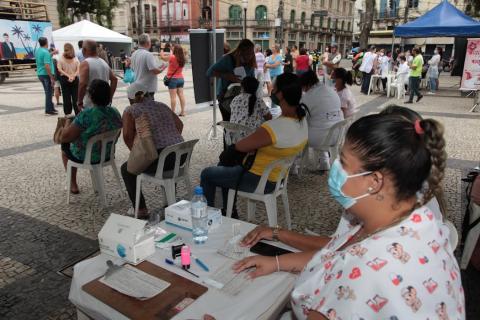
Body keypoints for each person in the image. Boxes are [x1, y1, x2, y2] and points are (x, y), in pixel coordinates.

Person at [232, 111, 464, 320]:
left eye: (343, 162)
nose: (334, 169)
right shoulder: (418, 220)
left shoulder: (366, 271)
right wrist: (277, 262)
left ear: (374, 182)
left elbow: (350, 268)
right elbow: (335, 253)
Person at [200, 73, 308, 216]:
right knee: (225, 168)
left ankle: (211, 215)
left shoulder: (274, 127)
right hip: (276, 178)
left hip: (256, 179)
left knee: (208, 173)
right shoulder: (302, 119)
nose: (271, 91)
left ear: (281, 94)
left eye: (274, 89)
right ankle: (229, 210)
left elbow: (240, 146)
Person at [120, 85, 184, 218]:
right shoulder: (162, 105)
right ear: (148, 94)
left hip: (161, 160)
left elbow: (127, 136)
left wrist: (137, 155)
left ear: (131, 98)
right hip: (180, 156)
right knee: (167, 156)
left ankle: (141, 209)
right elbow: (180, 125)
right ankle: (169, 199)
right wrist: (170, 139)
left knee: (127, 169)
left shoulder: (131, 110)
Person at [59, 80, 122, 194]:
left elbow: (65, 137)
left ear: (91, 96)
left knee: (64, 146)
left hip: (88, 156)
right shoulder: (115, 112)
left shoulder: (86, 115)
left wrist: (68, 121)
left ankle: (73, 183)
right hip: (107, 154)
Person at [299, 69, 343, 171]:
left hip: (320, 137)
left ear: (307, 84)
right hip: (337, 134)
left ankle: (294, 166)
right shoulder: (330, 90)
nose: (303, 90)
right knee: (320, 123)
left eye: (303, 87)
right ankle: (324, 161)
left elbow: (300, 117)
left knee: (299, 131)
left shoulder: (309, 96)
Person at [207, 39, 256, 121]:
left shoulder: (251, 61)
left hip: (244, 98)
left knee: (241, 123)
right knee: (229, 123)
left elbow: (252, 78)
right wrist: (227, 76)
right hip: (227, 97)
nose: (250, 56)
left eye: (251, 53)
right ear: (240, 51)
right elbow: (209, 72)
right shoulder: (228, 59)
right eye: (247, 53)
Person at [78, 40, 117, 111]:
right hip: (104, 103)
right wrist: (110, 98)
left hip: (90, 104)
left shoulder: (85, 63)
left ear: (84, 50)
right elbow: (114, 79)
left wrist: (79, 101)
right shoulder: (103, 62)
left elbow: (82, 84)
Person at [230, 76, 272, 141]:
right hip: (251, 138)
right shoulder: (258, 101)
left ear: (242, 87)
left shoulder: (235, 99)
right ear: (256, 88)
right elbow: (269, 117)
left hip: (234, 137)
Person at [131, 34, 166, 101]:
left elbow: (133, 68)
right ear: (147, 43)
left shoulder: (134, 54)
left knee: (140, 107)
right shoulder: (148, 54)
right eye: (150, 42)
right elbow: (154, 71)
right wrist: (163, 67)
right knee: (148, 108)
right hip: (147, 88)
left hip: (137, 86)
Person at [161, 44, 186, 116]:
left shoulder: (172, 57)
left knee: (173, 97)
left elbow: (162, 57)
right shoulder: (182, 58)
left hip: (173, 79)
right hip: (181, 79)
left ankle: (172, 113)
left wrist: (162, 49)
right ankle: (183, 111)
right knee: (181, 95)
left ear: (175, 50)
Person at [35, 37, 57, 115]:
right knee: (49, 93)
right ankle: (48, 110)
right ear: (46, 42)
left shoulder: (38, 51)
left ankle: (51, 107)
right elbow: (47, 66)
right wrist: (51, 77)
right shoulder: (46, 52)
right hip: (46, 74)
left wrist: (53, 53)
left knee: (48, 92)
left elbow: (45, 58)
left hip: (40, 74)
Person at [57, 43, 80, 115]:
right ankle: (78, 113)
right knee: (75, 98)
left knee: (66, 98)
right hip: (74, 79)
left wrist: (68, 75)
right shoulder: (75, 58)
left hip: (64, 79)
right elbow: (78, 69)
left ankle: (67, 114)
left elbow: (59, 69)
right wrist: (73, 76)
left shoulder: (61, 58)